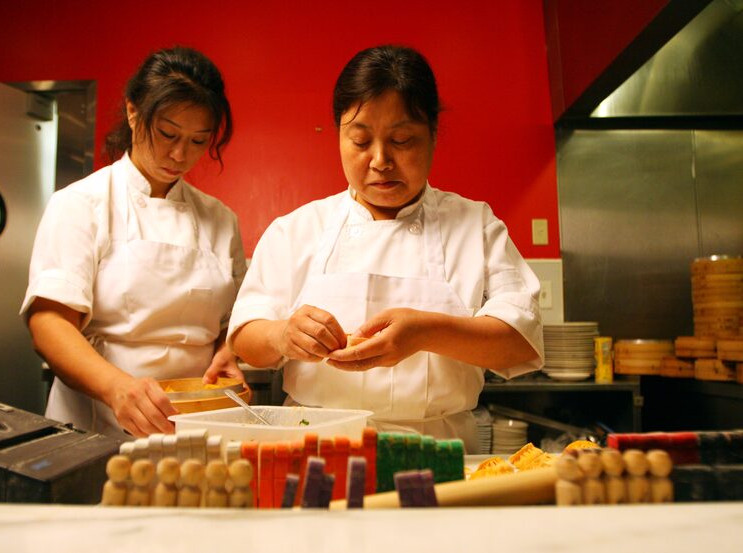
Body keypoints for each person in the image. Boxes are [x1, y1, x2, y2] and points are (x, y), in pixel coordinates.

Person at [228, 45, 544, 451]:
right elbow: (246, 337)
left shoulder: (475, 224)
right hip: (318, 449)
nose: (380, 160)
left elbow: (520, 339)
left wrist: (426, 332)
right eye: (360, 141)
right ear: (338, 136)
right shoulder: (297, 229)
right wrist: (282, 335)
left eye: (402, 139)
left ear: (432, 134)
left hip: (439, 454)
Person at [21, 46, 246, 439]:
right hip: (97, 424)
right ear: (133, 112)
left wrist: (230, 351)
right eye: (167, 134)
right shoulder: (81, 204)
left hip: (193, 423)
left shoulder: (220, 219)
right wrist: (117, 388)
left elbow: (234, 321)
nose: (179, 154)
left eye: (197, 141)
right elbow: (49, 322)